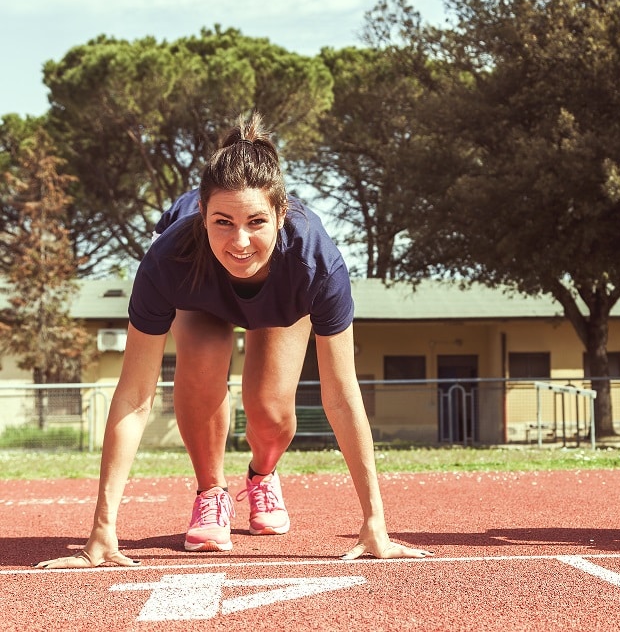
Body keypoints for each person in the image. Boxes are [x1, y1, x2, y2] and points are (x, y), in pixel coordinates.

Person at [37, 111, 430, 568]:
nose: (239, 241)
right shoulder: (169, 259)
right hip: (202, 298)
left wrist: (375, 523)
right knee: (202, 360)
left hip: (281, 302)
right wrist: (102, 530)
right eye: (222, 221)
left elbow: (341, 395)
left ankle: (262, 475)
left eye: (256, 222)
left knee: (267, 409)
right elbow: (135, 396)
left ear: (282, 216)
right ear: (201, 214)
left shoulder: (315, 264)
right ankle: (211, 491)